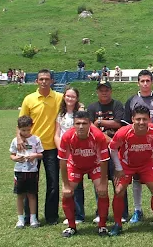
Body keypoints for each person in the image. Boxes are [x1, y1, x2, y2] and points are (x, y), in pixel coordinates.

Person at [109, 106, 153, 236]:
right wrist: (118, 168)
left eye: (144, 119)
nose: (141, 122)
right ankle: (117, 224)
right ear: (132, 119)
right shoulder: (124, 132)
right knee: (119, 190)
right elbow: (112, 148)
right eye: (138, 119)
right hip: (126, 164)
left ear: (150, 119)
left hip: (146, 164)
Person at [123, 70, 153, 224]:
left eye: (147, 81)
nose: (145, 84)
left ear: (152, 82)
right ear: (138, 83)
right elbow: (127, 124)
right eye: (142, 81)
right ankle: (137, 210)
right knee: (137, 177)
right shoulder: (131, 100)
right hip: (137, 146)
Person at [18, 69, 63, 224]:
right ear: (36, 81)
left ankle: (51, 216)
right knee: (30, 183)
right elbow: (20, 123)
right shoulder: (29, 99)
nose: (44, 81)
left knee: (53, 183)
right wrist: (19, 139)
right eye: (41, 79)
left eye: (47, 79)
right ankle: (30, 216)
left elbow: (74, 104)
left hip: (51, 147)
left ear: (52, 81)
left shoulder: (59, 98)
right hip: (32, 148)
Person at [57, 111, 110, 237]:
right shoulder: (67, 137)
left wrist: (103, 183)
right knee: (67, 193)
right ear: (73, 124)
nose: (81, 126)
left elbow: (103, 161)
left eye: (84, 123)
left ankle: (102, 226)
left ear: (90, 124)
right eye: (78, 123)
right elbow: (63, 161)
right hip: (75, 166)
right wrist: (65, 185)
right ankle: (71, 226)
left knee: (103, 192)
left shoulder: (98, 136)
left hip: (95, 165)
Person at [87, 81, 129, 223]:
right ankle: (101, 212)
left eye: (106, 90)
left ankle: (122, 213)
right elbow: (90, 127)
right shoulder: (92, 107)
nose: (104, 92)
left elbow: (118, 123)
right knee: (100, 182)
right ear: (97, 92)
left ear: (111, 91)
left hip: (116, 149)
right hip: (99, 150)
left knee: (118, 180)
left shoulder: (117, 105)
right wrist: (104, 137)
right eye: (101, 90)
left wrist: (100, 123)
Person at [54, 86, 85, 225]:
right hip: (64, 153)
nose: (70, 99)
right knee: (67, 184)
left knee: (77, 184)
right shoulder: (60, 114)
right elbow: (57, 134)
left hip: (78, 152)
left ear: (77, 98)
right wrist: (62, 150)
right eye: (67, 96)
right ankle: (71, 214)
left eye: (73, 96)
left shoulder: (80, 112)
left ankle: (79, 214)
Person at [9, 116, 43, 229]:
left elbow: (41, 154)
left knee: (32, 194)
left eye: (28, 130)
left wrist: (35, 156)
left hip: (32, 171)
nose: (26, 132)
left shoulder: (36, 139)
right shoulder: (15, 140)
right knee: (20, 195)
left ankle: (33, 219)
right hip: (19, 171)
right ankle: (20, 219)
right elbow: (12, 155)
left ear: (31, 127)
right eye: (23, 130)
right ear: (19, 129)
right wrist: (15, 158)